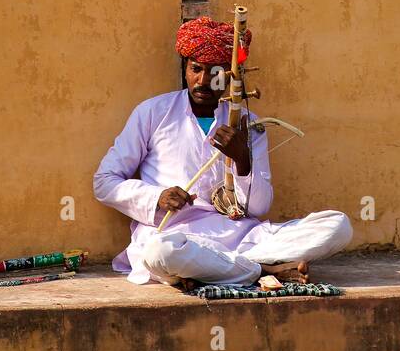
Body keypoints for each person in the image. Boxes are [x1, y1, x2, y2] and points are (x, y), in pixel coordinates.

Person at [93, 15, 352, 289]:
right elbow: (105, 181)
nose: (203, 80)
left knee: (338, 225)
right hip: (175, 236)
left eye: (215, 73)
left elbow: (259, 208)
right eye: (196, 69)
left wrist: (242, 160)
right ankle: (261, 270)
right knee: (160, 253)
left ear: (230, 77)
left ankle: (224, 269)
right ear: (185, 69)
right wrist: (157, 196)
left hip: (239, 236)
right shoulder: (152, 113)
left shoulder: (249, 125)